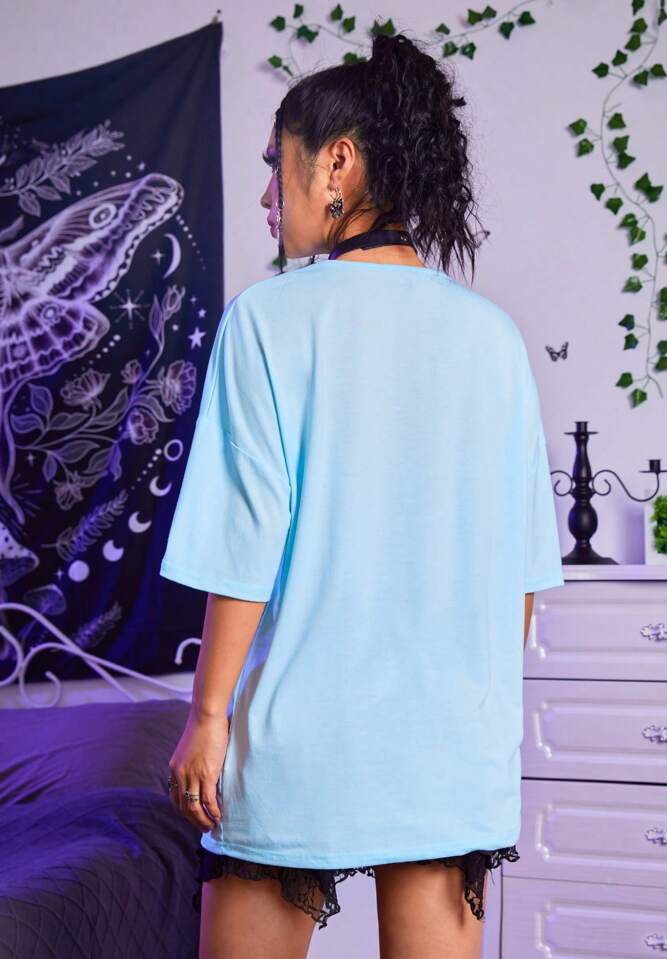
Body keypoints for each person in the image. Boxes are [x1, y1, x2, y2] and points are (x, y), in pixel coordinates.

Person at [160, 30, 565, 959]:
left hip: (304, 734)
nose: (268, 195)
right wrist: (472, 723)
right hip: (449, 745)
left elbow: (245, 541)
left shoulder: (267, 322)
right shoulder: (494, 338)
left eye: (277, 164)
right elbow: (520, 579)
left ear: (337, 162)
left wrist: (208, 717)